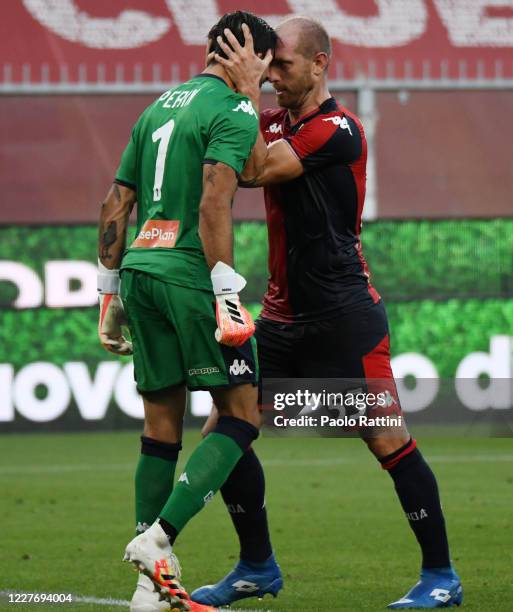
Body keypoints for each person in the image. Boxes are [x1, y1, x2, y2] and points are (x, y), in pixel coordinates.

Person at [191, 16, 463, 610]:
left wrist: (242, 96)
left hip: (345, 317)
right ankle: (256, 567)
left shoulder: (339, 130)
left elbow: (255, 169)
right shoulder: (267, 122)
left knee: (386, 437)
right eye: (267, 65)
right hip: (281, 320)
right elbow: (222, 162)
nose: (271, 76)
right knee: (228, 431)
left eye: (282, 65)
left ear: (319, 64)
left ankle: (440, 576)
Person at [96, 11, 279, 612]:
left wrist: (108, 292)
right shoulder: (232, 107)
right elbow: (219, 197)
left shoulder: (156, 108)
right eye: (267, 67)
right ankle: (159, 539)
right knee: (243, 414)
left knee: (160, 428)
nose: (269, 78)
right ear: (247, 53)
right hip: (189, 277)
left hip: (140, 275)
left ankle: (149, 590)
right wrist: (226, 292)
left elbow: (115, 202)